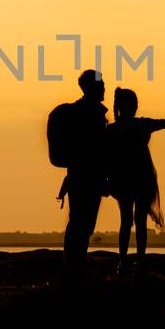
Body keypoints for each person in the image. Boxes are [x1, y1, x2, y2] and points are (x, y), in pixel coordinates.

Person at [105, 88, 165, 275]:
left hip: (129, 179)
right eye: (133, 104)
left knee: (128, 220)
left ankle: (127, 261)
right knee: (135, 221)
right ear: (126, 106)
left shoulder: (114, 129)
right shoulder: (135, 126)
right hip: (137, 177)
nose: (135, 107)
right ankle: (133, 261)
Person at [58, 69, 109, 279]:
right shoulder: (91, 114)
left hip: (80, 176)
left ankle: (74, 266)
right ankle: (73, 267)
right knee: (82, 222)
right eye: (101, 84)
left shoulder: (83, 112)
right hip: (87, 177)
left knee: (81, 222)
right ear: (92, 88)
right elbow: (98, 148)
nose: (104, 87)